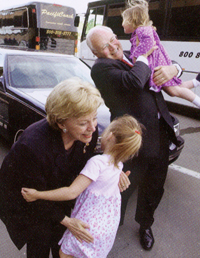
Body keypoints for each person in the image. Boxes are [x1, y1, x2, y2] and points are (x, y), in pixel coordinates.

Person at [86, 25, 183, 251]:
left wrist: (175, 69)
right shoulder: (101, 68)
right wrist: (142, 58)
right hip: (131, 140)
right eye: (105, 46)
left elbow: (165, 69)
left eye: (113, 39)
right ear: (96, 53)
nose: (113, 46)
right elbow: (134, 81)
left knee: (155, 186)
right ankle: (109, 227)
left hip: (159, 134)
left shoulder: (135, 55)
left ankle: (145, 225)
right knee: (123, 188)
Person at [0, 77, 113, 258]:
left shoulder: (89, 132)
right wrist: (66, 221)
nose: (92, 128)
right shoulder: (32, 146)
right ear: (61, 123)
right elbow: (31, 195)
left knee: (63, 246)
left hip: (57, 196)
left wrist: (112, 169)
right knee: (39, 243)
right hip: (28, 201)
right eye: (83, 122)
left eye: (94, 118)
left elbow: (86, 163)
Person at [21, 114, 142, 258]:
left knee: (64, 254)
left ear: (110, 135)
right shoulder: (118, 165)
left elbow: (72, 192)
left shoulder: (97, 163)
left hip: (86, 227)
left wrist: (37, 194)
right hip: (106, 231)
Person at [121, 0, 200, 108]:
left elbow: (148, 43)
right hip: (157, 64)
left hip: (157, 65)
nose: (122, 24)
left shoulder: (142, 30)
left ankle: (198, 101)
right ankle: (196, 82)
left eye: (124, 20)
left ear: (133, 20)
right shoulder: (139, 32)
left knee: (174, 90)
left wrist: (137, 55)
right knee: (174, 88)